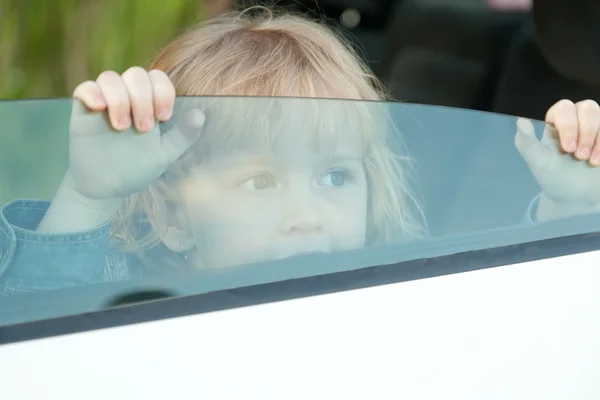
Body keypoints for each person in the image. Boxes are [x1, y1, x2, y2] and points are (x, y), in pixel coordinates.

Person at [0, 7, 599, 295]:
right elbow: (36, 317)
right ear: (177, 217)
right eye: (259, 182)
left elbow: (496, 323)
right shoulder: (132, 296)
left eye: (337, 177)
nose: (308, 215)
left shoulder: (390, 290)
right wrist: (90, 196)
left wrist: (568, 212)